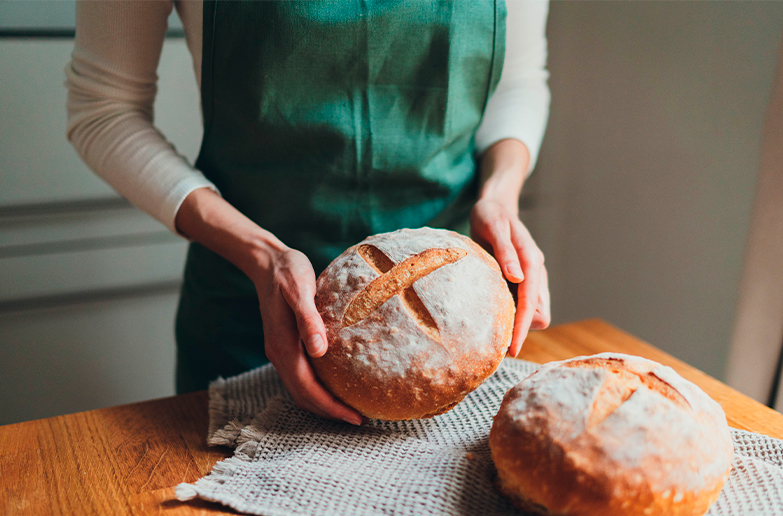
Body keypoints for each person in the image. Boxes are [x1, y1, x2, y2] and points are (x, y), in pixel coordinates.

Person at [66, 0, 552, 426]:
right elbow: (105, 110)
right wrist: (261, 255)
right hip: (249, 308)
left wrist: (501, 194)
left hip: (453, 323)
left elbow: (518, 83)